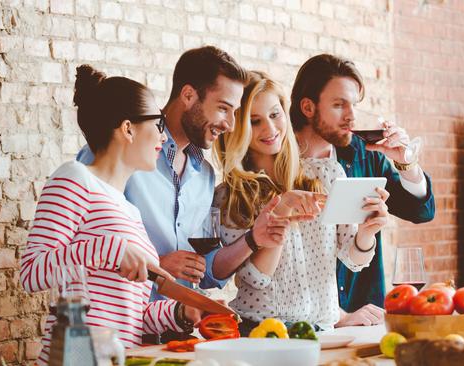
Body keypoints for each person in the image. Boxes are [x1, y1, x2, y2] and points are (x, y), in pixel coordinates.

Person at [20, 65, 205, 365]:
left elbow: (131, 316)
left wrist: (180, 312)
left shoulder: (129, 209)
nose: (163, 136)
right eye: (158, 125)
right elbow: (32, 273)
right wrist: (112, 249)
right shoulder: (75, 177)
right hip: (76, 357)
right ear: (128, 128)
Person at [213, 71, 390, 334]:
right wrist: (281, 211)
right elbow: (256, 279)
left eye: (275, 115)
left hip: (323, 331)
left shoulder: (327, 174)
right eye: (255, 121)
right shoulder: (231, 195)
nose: (270, 129)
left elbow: (353, 260)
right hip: (262, 332)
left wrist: (367, 233)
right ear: (239, 128)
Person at [77, 46, 250, 295]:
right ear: (188, 95)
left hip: (176, 325)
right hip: (120, 325)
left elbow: (205, 270)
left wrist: (257, 238)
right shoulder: (118, 149)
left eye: (234, 112)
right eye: (223, 108)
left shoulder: (205, 175)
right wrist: (156, 264)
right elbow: (81, 252)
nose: (231, 125)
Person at [290, 54, 435, 327]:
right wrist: (338, 317)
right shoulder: (278, 161)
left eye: (354, 105)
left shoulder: (363, 154)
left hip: (365, 317)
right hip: (301, 324)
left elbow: (421, 211)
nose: (352, 116)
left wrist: (406, 162)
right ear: (308, 107)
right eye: (338, 105)